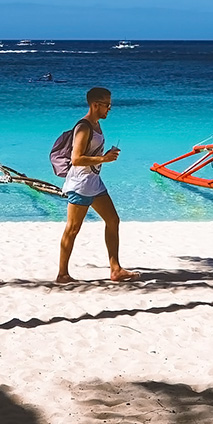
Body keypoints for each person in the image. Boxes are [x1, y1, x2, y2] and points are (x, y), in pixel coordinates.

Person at [56, 87, 138, 283]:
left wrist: (104, 156)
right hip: (81, 184)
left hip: (94, 183)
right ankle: (62, 274)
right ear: (95, 105)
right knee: (73, 228)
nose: (109, 109)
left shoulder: (97, 125)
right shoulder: (84, 127)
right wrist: (104, 158)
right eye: (107, 105)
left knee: (113, 220)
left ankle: (115, 269)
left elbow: (91, 154)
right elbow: (76, 159)